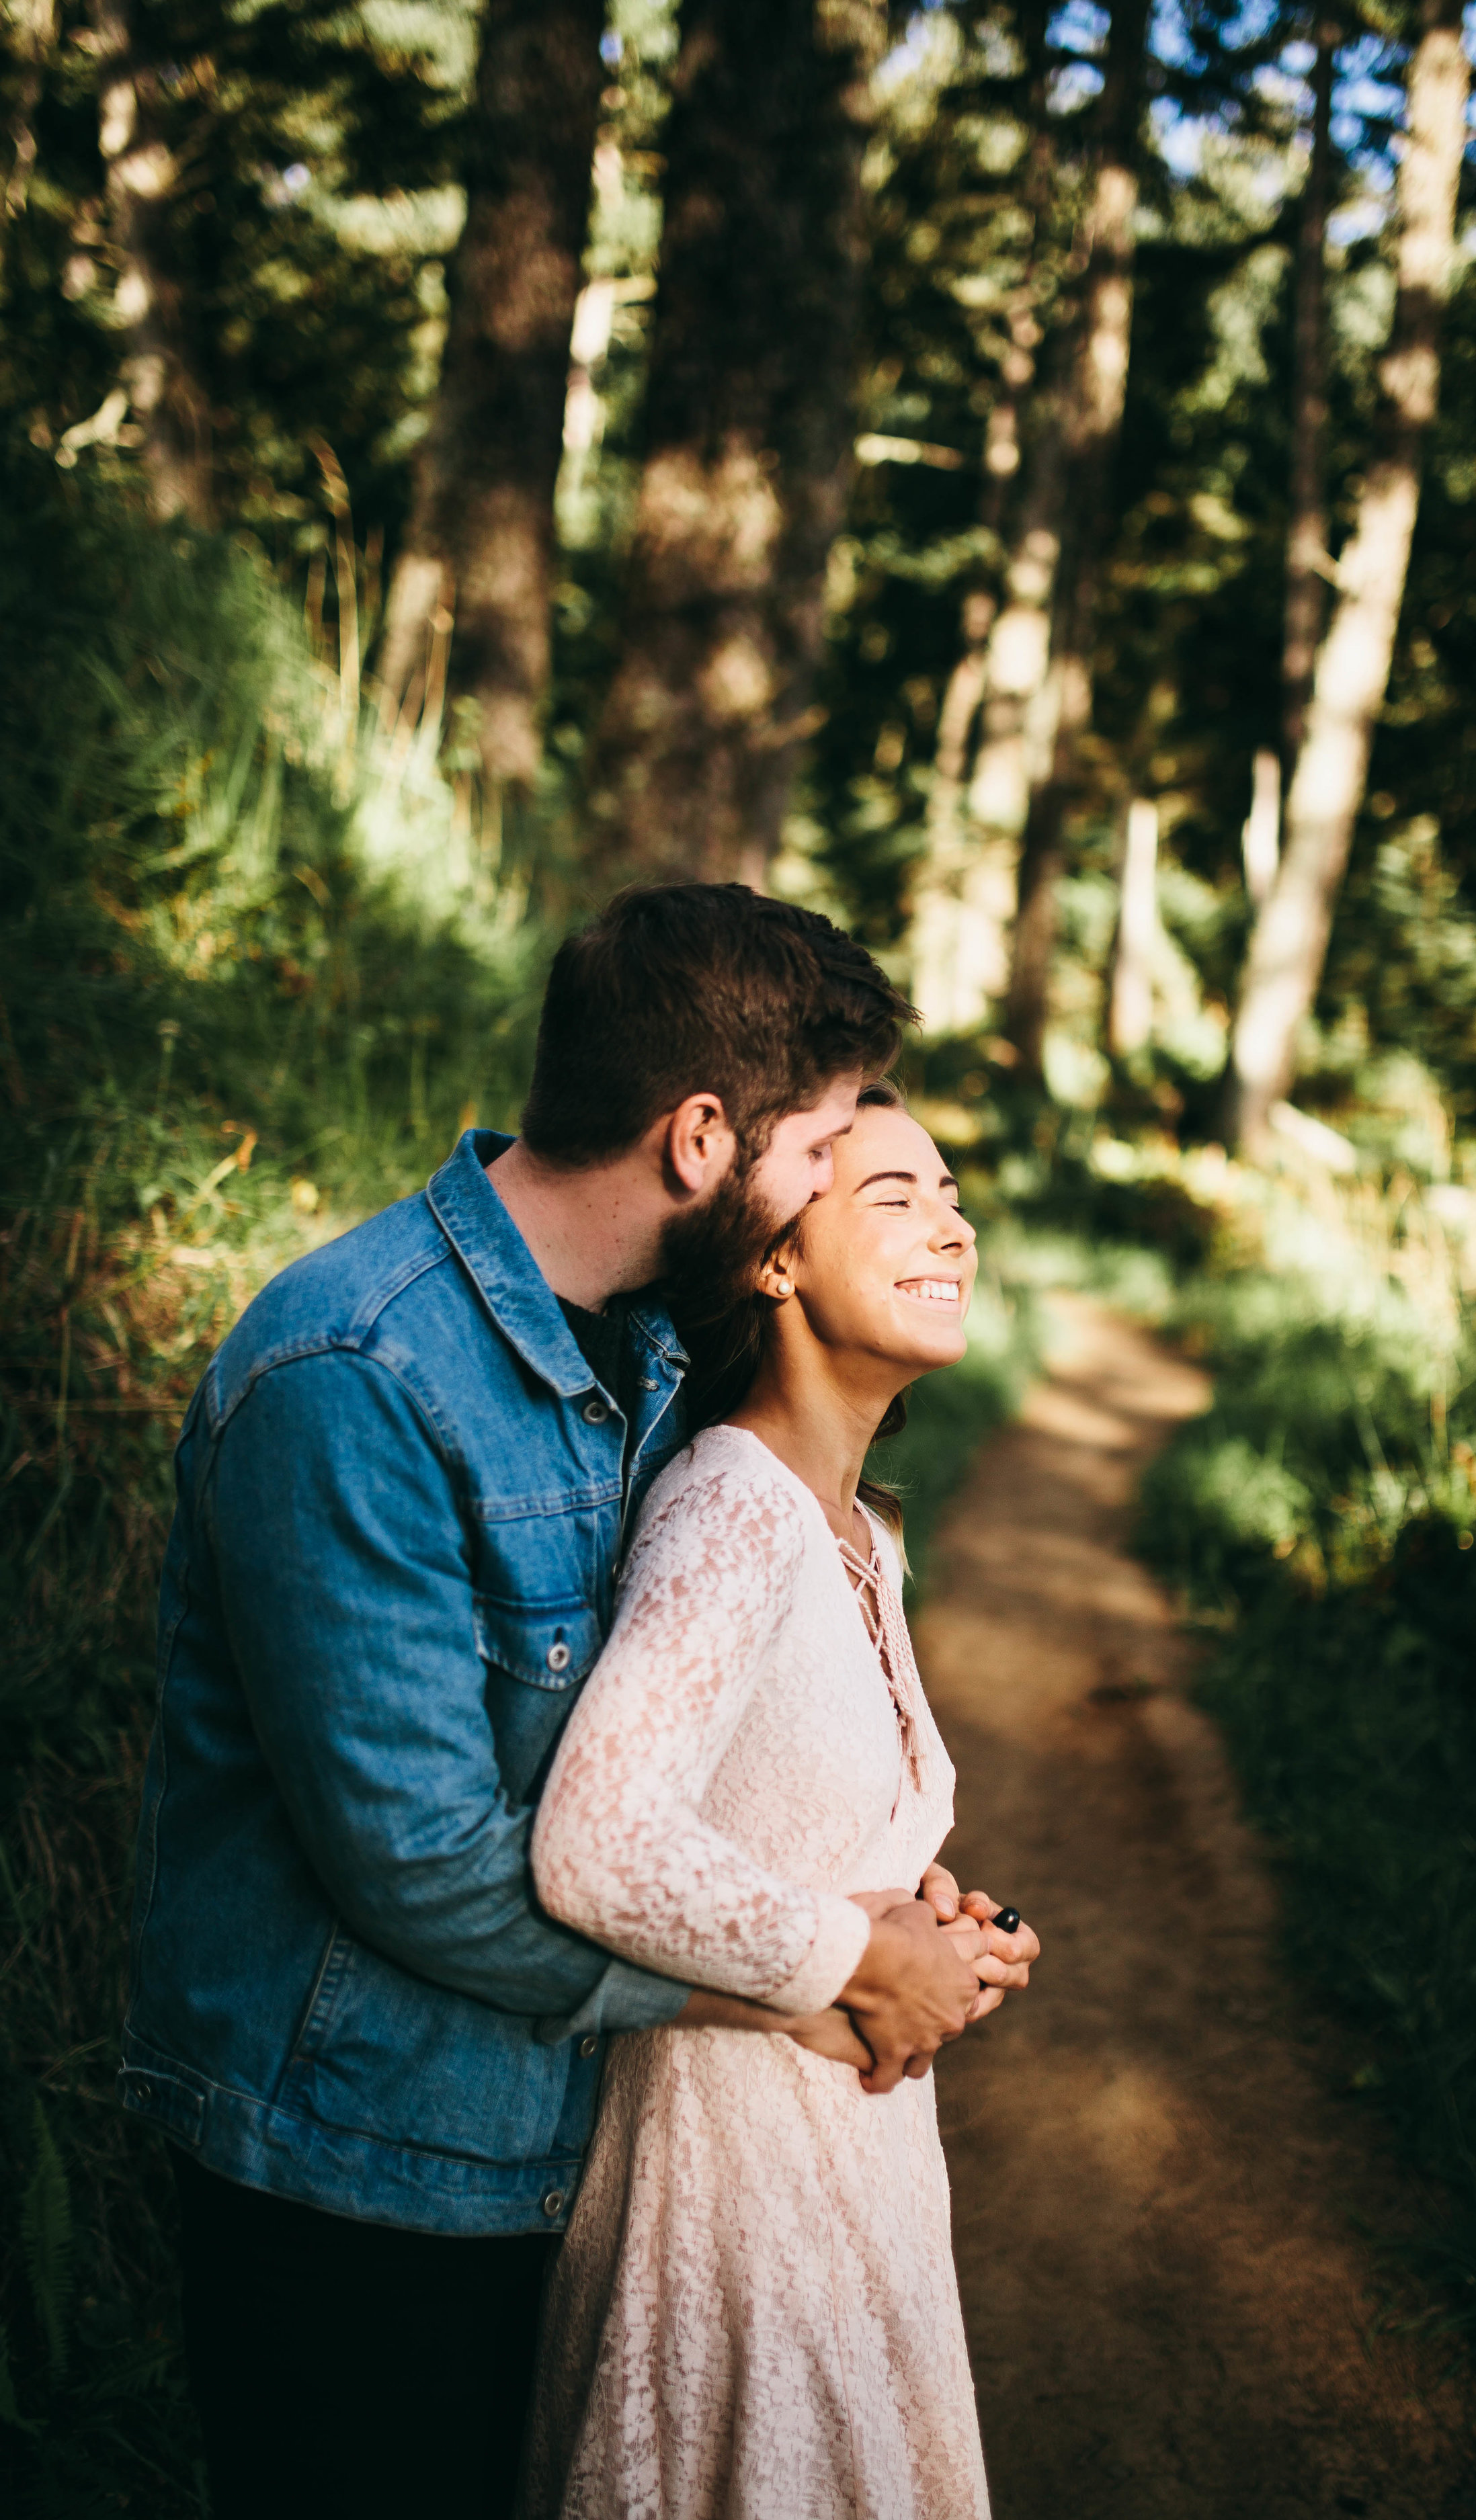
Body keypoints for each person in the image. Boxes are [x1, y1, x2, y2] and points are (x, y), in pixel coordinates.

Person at [121, 886, 1026, 2520]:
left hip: (549, 2149)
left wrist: (882, 1915)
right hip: (353, 2170)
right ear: (699, 1141)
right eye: (820, 1151)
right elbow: (424, 1863)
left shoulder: (636, 1359)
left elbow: (698, 1748)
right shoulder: (354, 1375)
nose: (842, 1189)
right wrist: (817, 1987)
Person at [519, 1084, 1035, 2520]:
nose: (950, 1226)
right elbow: (595, 1838)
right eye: (893, 1196)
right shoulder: (731, 1503)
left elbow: (795, 1829)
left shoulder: (862, 1534)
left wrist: (939, 1930)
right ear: (774, 1260)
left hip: (858, 2162)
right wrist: (861, 1958)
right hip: (728, 2182)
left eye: (951, 1195)